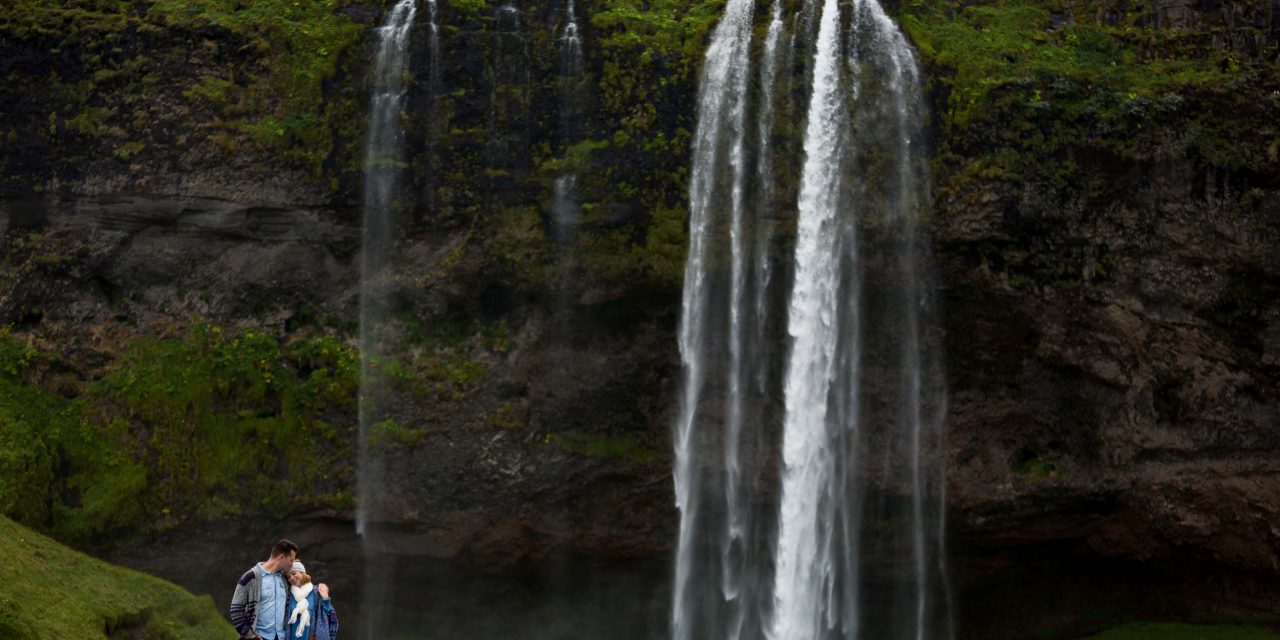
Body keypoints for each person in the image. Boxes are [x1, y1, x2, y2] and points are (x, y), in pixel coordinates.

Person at [230, 539, 299, 640]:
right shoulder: (250, 577)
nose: (292, 564)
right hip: (259, 637)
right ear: (281, 557)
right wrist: (250, 635)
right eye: (291, 560)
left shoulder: (285, 579)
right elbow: (236, 609)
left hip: (281, 637)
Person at [285, 560, 338, 640]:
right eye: (288, 577)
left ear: (302, 572)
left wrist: (325, 599)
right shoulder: (288, 595)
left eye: (294, 573)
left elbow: (331, 616)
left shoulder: (317, 592)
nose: (291, 578)